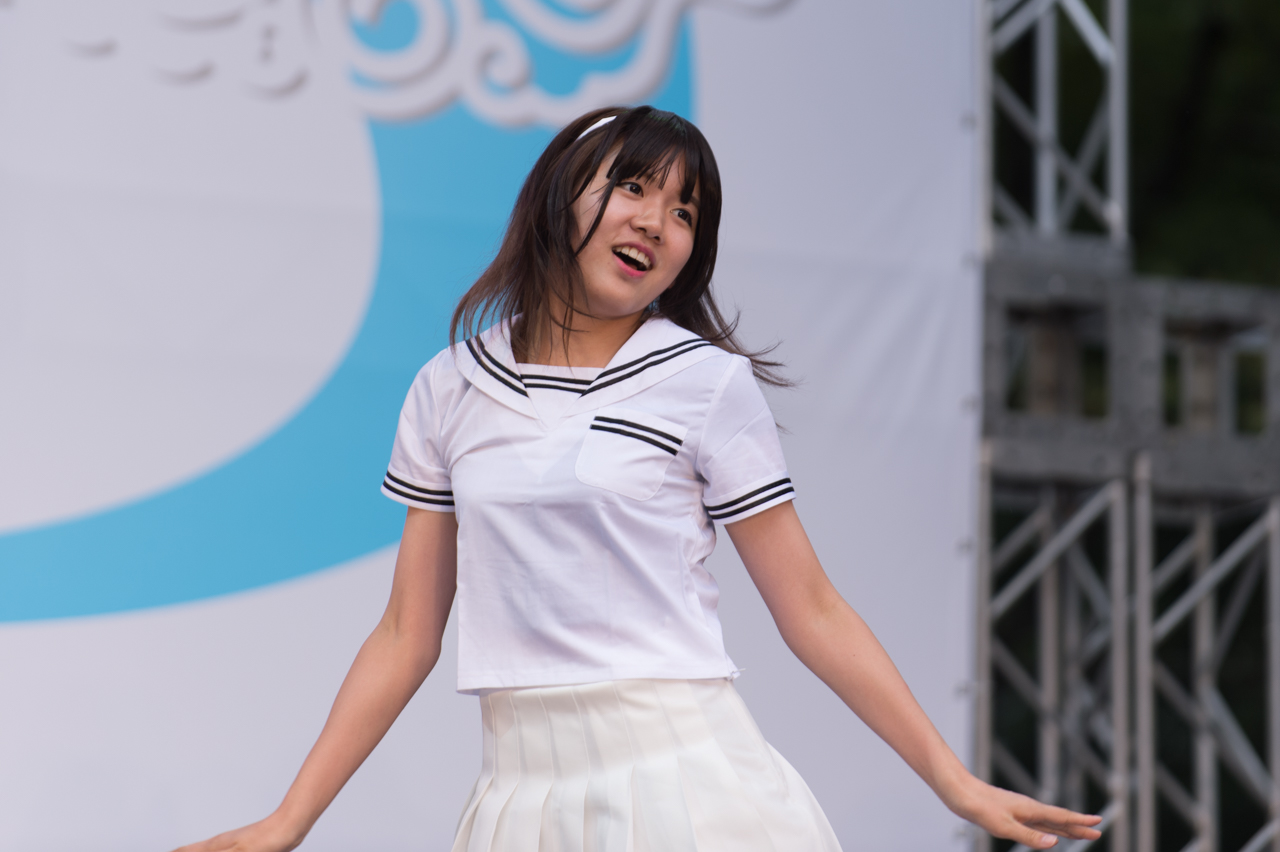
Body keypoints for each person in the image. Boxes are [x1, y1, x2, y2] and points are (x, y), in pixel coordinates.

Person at [175, 106, 1102, 852]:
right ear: (559, 198)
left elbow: (813, 609)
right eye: (633, 188)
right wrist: (289, 821)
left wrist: (951, 780)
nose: (658, 223)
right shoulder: (449, 386)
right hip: (518, 798)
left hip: (686, 784)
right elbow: (405, 634)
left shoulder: (705, 383)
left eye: (686, 213)